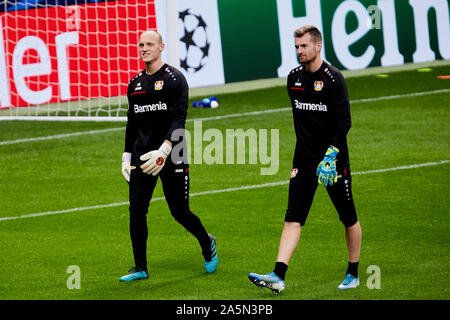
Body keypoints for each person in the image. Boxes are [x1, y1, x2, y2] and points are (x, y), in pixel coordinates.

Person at [248, 25, 362, 293]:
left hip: (332, 162)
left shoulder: (334, 80)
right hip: (304, 161)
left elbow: (344, 122)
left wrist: (331, 155)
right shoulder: (294, 79)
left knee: (348, 218)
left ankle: (353, 272)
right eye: (296, 47)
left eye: (304, 46)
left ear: (318, 46)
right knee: (293, 217)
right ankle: (278, 274)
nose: (299, 51)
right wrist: (308, 157)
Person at [119, 30, 218, 281]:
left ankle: (207, 243)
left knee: (179, 212)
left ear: (161, 47)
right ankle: (140, 267)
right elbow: (132, 123)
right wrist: (126, 156)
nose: (144, 48)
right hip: (142, 157)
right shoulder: (135, 83)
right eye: (141, 44)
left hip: (172, 154)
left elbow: (178, 119)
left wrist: (164, 150)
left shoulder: (175, 79)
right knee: (137, 210)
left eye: (149, 44)